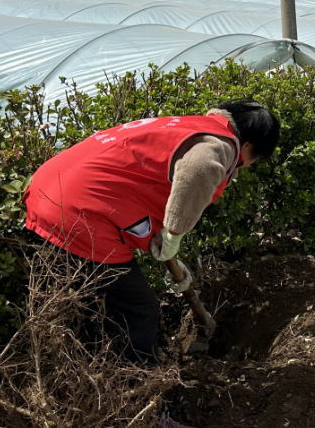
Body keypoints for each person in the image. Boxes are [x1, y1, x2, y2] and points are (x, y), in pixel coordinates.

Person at [24, 100, 280, 362]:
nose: (244, 167)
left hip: (48, 192)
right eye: (254, 160)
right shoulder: (221, 144)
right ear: (248, 147)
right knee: (138, 309)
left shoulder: (191, 125)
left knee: (98, 303)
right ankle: (136, 386)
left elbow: (142, 177)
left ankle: (95, 366)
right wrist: (174, 235)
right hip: (79, 213)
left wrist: (164, 242)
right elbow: (198, 169)